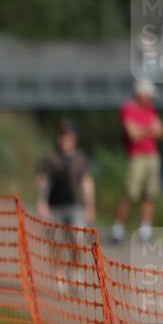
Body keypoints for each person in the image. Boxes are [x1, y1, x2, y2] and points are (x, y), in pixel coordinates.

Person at [36, 120, 96, 293]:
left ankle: (77, 274)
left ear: (74, 138)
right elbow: (43, 181)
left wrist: (90, 206)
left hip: (76, 207)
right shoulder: (50, 158)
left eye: (68, 135)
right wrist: (41, 202)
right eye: (62, 135)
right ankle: (59, 277)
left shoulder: (80, 159)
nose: (65, 139)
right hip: (55, 207)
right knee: (56, 243)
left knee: (77, 242)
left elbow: (86, 183)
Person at [111, 80, 163, 244]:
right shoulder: (128, 109)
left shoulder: (150, 110)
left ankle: (146, 230)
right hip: (137, 156)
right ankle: (118, 229)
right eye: (149, 96)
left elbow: (161, 132)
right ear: (140, 94)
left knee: (150, 194)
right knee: (130, 194)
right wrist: (150, 130)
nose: (151, 99)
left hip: (152, 156)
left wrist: (142, 130)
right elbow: (132, 134)